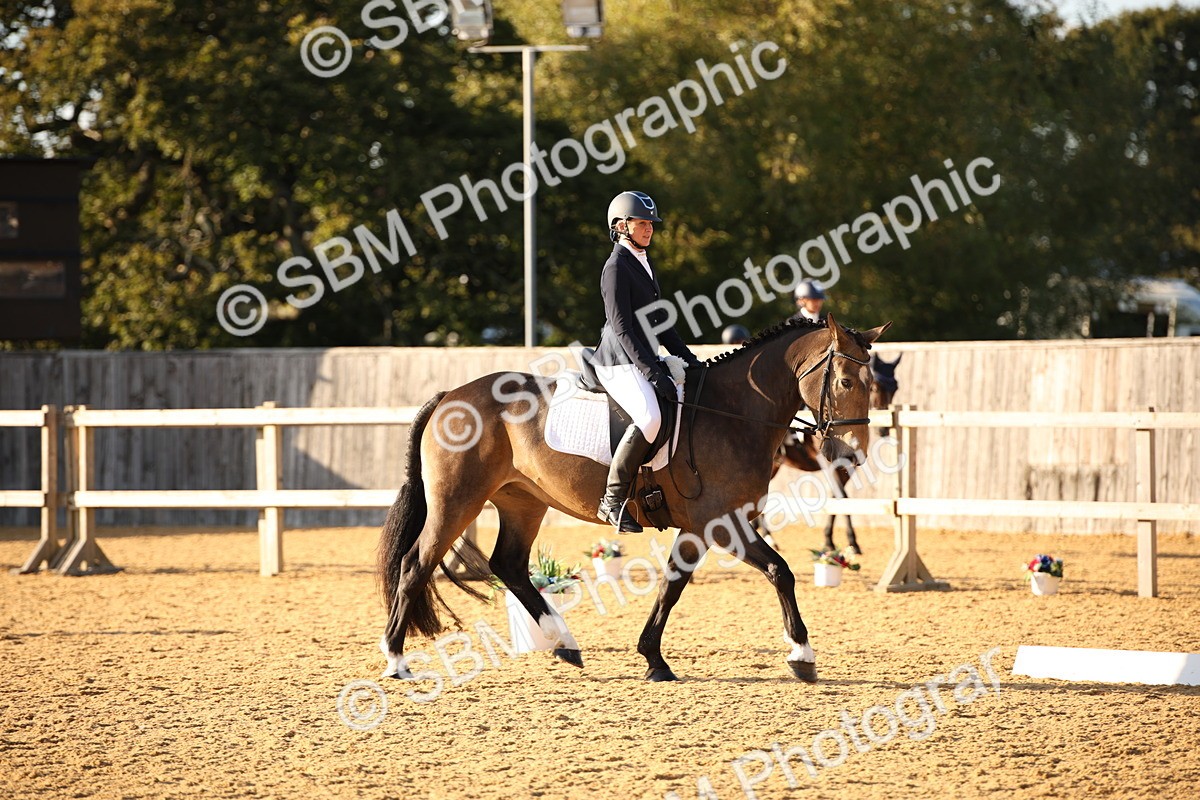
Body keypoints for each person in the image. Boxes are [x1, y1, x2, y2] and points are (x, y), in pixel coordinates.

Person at [590, 190, 703, 532]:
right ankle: (611, 501)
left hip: (640, 357)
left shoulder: (643, 261)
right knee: (651, 417)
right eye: (642, 223)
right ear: (622, 226)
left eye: (651, 223)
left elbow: (659, 321)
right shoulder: (615, 267)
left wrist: (689, 360)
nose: (649, 229)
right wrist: (654, 373)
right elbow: (623, 328)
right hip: (617, 361)